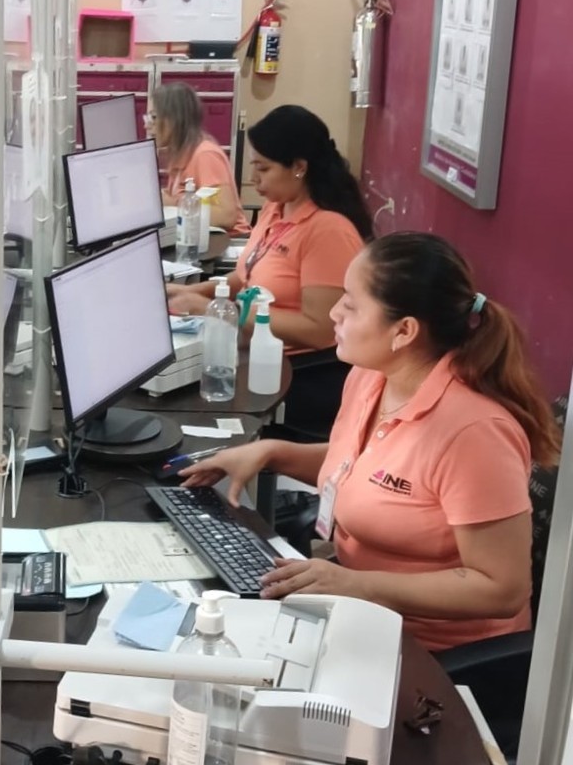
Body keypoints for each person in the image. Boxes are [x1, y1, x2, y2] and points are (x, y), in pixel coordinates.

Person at [181, 232, 561, 653]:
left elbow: (502, 589)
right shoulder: (372, 376)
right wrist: (272, 452)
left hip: (432, 652)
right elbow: (368, 470)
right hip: (360, 609)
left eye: (350, 303)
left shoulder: (474, 433)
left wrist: (357, 584)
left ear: (404, 331)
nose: (334, 313)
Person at [167, 104, 371, 437]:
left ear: (299, 167)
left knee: (187, 414)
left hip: (298, 372)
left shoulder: (328, 231)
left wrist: (219, 311)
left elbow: (319, 329)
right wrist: (193, 292)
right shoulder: (276, 208)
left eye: (263, 168)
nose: (253, 179)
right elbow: (247, 276)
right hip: (251, 351)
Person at [151, 82, 251, 236]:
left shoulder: (205, 155)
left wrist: (173, 203)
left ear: (173, 120)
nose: (147, 125)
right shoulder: (180, 153)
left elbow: (226, 216)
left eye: (153, 117)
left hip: (225, 240)